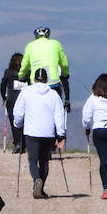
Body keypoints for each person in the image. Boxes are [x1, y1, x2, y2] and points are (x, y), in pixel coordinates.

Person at [12, 68, 66, 199]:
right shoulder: (54, 95)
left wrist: (17, 124)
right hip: (48, 133)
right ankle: (41, 189)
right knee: (44, 161)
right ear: (47, 79)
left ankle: (36, 180)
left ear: (34, 79)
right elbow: (59, 115)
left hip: (32, 132)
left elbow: (18, 112)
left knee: (32, 159)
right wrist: (61, 134)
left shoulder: (26, 92)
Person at [18, 27, 70, 112]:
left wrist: (21, 76)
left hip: (36, 82)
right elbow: (64, 63)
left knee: (35, 109)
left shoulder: (30, 46)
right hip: (53, 82)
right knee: (55, 109)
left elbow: (25, 64)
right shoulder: (56, 44)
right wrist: (65, 74)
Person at [0, 53, 27, 153]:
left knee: (14, 122)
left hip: (12, 99)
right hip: (25, 100)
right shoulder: (28, 73)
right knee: (26, 122)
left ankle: (18, 144)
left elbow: (3, 85)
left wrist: (4, 97)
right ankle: (24, 143)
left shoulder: (8, 72)